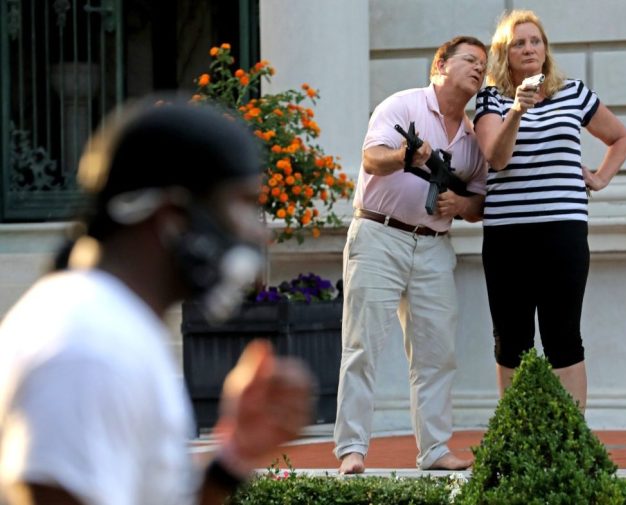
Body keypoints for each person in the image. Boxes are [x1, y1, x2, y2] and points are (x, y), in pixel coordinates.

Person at [0, 100, 314, 505]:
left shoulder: (108, 324)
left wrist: (232, 457)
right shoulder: (92, 347)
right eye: (243, 203)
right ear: (172, 217)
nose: (259, 232)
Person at [334, 35, 488, 475]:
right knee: (362, 346)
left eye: (483, 64)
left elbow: (479, 202)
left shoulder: (474, 139)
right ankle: (352, 449)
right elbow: (371, 159)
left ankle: (435, 449)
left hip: (435, 246)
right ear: (439, 65)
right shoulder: (402, 106)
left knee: (437, 353)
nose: (479, 68)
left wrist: (459, 206)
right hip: (380, 235)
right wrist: (407, 155)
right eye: (469, 60)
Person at [473, 10, 626, 412]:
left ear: (545, 49)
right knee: (512, 339)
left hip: (563, 231)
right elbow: (497, 159)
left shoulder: (573, 92)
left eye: (535, 41)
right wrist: (516, 111)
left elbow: (621, 138)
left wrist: (600, 177)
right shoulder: (492, 100)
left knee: (564, 335)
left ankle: (572, 439)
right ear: (504, 54)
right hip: (508, 235)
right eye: (518, 43)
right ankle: (516, 435)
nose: (529, 48)